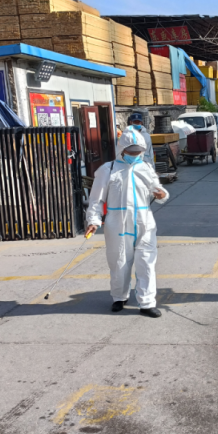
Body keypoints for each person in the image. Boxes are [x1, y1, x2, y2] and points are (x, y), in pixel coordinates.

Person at [85, 130, 169, 317]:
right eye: (131, 151)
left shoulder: (145, 168)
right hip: (117, 223)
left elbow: (160, 191)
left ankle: (147, 303)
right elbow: (96, 199)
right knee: (119, 261)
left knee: (146, 261)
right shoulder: (108, 170)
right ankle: (119, 297)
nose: (135, 155)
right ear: (121, 149)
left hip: (144, 222)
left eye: (138, 151)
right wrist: (93, 220)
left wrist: (162, 194)